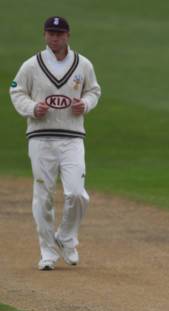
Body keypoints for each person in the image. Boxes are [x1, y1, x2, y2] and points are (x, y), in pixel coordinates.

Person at [9, 16, 101, 271]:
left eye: (59, 34)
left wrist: (86, 104)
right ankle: (48, 252)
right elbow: (16, 90)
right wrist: (31, 108)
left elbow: (94, 91)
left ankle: (66, 238)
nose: (54, 38)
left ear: (67, 36)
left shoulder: (83, 65)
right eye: (50, 33)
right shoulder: (31, 65)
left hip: (72, 137)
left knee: (76, 193)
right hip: (41, 137)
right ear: (44, 35)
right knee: (43, 196)